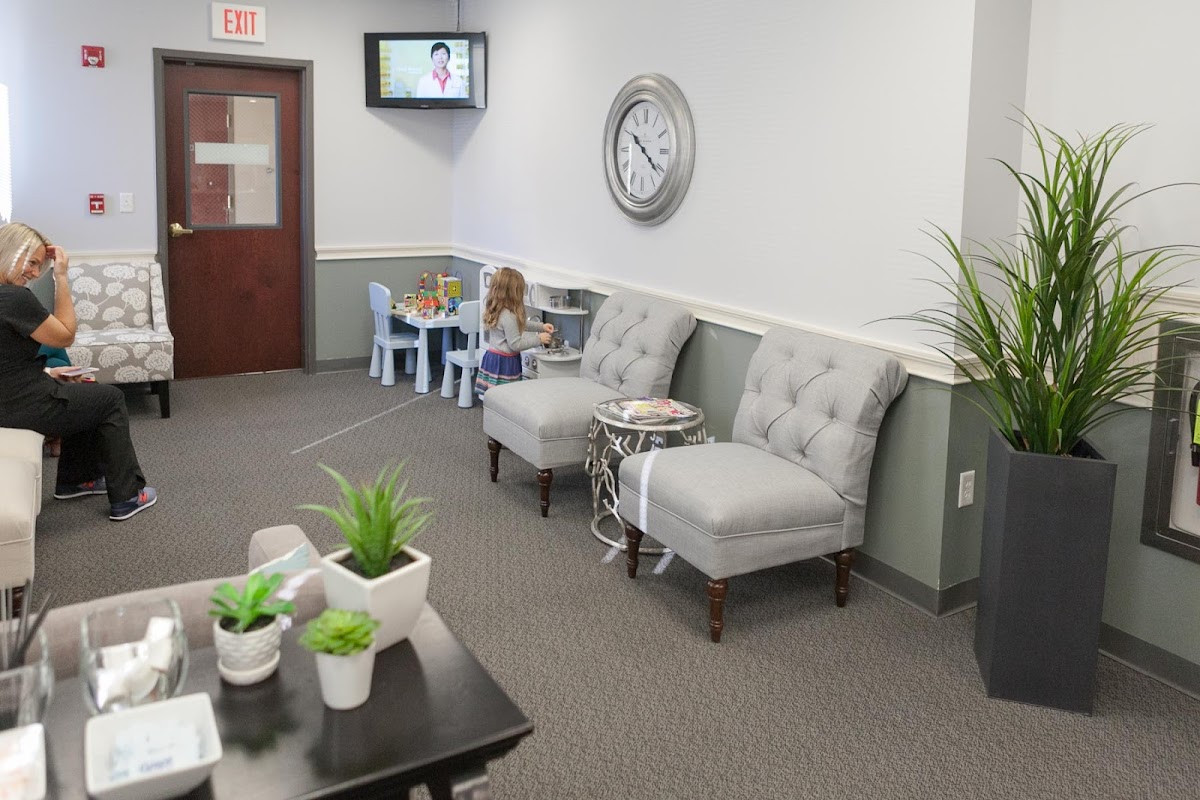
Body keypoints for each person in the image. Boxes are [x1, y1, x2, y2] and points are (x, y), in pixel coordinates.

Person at [0, 222, 157, 521]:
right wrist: (61, 276)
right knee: (111, 399)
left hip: (10, 397)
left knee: (85, 388)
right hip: (17, 406)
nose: (34, 273)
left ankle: (76, 480)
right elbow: (65, 335)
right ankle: (127, 497)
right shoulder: (13, 298)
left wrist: (49, 373)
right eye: (31, 263)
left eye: (39, 266)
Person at [475, 267, 553, 396]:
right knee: (506, 396)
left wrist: (541, 327)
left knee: (494, 396)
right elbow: (516, 344)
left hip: (493, 358)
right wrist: (539, 339)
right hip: (505, 363)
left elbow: (519, 323)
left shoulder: (498, 309)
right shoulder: (508, 316)